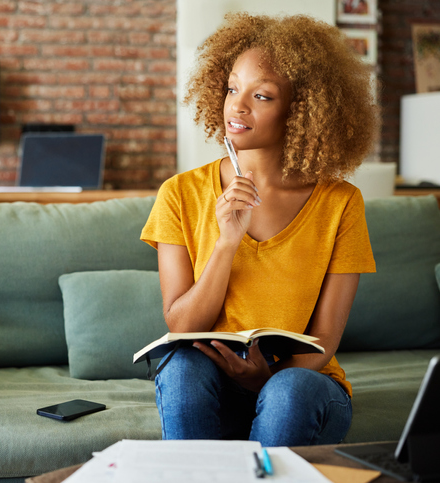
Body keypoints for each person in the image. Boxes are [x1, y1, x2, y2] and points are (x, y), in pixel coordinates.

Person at [140, 13, 379, 446]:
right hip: (212, 382)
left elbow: (324, 340)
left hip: (301, 385)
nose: (237, 105)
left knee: (287, 391)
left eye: (262, 96)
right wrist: (226, 242)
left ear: (302, 109)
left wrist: (267, 376)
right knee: (181, 367)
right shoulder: (180, 193)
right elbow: (181, 323)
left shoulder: (341, 203)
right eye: (232, 88)